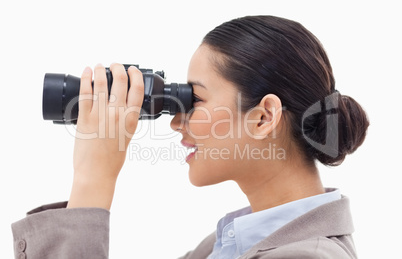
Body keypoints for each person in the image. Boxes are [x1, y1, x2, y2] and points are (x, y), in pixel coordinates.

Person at [11, 15, 369, 258]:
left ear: (263, 118)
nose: (175, 122)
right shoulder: (228, 243)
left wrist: (93, 181)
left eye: (194, 99)